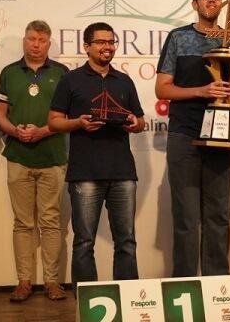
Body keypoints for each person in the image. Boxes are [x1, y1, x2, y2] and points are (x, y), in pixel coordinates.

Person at [155, 0, 230, 277]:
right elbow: (163, 89)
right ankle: (185, 284)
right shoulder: (178, 38)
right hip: (185, 134)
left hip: (222, 138)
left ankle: (217, 288)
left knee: (219, 216)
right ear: (195, 3)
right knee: (186, 217)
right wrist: (201, 91)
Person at [48, 22, 145, 290]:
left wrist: (133, 124)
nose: (107, 47)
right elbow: (54, 122)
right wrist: (78, 123)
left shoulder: (124, 80)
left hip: (123, 172)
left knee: (126, 241)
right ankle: (87, 304)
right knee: (84, 242)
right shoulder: (70, 79)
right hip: (85, 172)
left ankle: (128, 300)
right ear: (87, 46)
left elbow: (141, 121)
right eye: (101, 42)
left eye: (111, 42)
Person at [0, 20, 69, 302]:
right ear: (24, 41)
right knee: (23, 223)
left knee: (51, 221)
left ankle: (52, 282)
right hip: (18, 156)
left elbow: (66, 118)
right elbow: (0, 113)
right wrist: (14, 130)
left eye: (41, 40)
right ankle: (24, 281)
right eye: (31, 39)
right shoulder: (9, 72)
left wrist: (43, 131)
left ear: (48, 44)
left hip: (52, 156)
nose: (35, 44)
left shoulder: (62, 73)